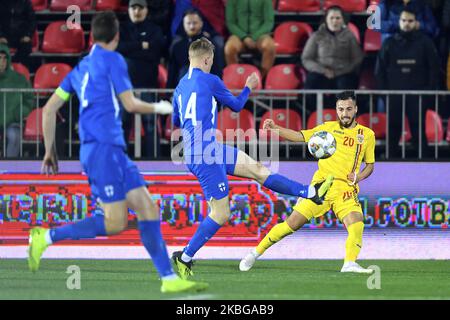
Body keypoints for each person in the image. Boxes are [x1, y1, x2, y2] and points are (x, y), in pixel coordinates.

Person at [27, 11, 208, 294]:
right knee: (115, 222)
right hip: (102, 150)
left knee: (148, 207)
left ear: (92, 36)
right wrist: (162, 108)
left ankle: (169, 280)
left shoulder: (80, 67)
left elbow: (49, 109)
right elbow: (131, 104)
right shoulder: (114, 60)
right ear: (117, 36)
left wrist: (50, 151)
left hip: (109, 150)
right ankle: (45, 236)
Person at [170, 37, 334, 279]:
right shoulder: (211, 80)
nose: (210, 65)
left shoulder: (179, 87)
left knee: (257, 168)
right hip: (205, 154)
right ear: (206, 59)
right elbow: (236, 106)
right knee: (221, 213)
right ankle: (184, 257)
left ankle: (311, 193)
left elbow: (176, 122)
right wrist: (248, 86)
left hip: (207, 148)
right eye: (211, 61)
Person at [240, 91, 376, 274]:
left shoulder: (367, 135)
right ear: (336, 110)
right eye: (341, 109)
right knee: (292, 224)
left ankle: (349, 263)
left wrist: (358, 177)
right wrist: (275, 128)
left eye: (349, 109)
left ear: (356, 110)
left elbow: (370, 166)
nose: (345, 113)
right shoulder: (327, 129)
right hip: (321, 187)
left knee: (356, 222)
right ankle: (254, 253)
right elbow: (300, 136)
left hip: (346, 189)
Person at [375, 9, 440, 158]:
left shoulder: (426, 42)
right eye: (404, 20)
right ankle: (390, 160)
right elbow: (379, 71)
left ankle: (423, 164)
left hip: (418, 95)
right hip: (393, 94)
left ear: (416, 23)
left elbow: (434, 69)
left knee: (418, 130)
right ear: (399, 22)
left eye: (410, 21)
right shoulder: (389, 43)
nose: (406, 24)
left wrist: (428, 92)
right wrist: (385, 94)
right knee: (393, 130)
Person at [117, 0, 166, 158]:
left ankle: (155, 161)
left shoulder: (154, 29)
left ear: (146, 10)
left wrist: (131, 50)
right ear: (129, 9)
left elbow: (155, 53)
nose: (136, 11)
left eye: (140, 7)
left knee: (151, 125)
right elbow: (118, 49)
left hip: (148, 86)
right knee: (123, 125)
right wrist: (141, 46)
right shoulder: (121, 28)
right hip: (125, 88)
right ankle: (120, 160)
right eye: (133, 7)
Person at [302, 6, 364, 91]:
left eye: (338, 18)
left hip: (343, 73)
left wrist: (342, 71)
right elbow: (306, 58)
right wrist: (323, 70)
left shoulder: (349, 36)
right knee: (311, 84)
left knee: (346, 85)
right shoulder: (316, 36)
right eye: (331, 18)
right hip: (321, 72)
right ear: (326, 20)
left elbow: (357, 58)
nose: (334, 21)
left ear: (343, 20)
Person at [167, 9, 224, 88]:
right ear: (183, 24)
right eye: (188, 23)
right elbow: (173, 71)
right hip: (183, 91)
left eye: (195, 23)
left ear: (201, 23)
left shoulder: (210, 45)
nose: (192, 26)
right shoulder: (177, 46)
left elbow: (217, 69)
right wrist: (168, 94)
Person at [224, 0, 276, 78]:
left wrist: (255, 37)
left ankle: (261, 78)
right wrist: (244, 37)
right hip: (239, 35)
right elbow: (231, 22)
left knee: (270, 47)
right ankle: (235, 77)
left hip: (260, 35)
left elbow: (269, 22)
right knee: (229, 48)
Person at [0, 43, 34, 158]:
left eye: (5, 58)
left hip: (13, 122)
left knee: (14, 136)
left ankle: (9, 169)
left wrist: (17, 113)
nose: (2, 62)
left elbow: (29, 100)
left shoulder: (19, 79)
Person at [0, 0, 36, 67]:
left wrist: (27, 35)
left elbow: (32, 22)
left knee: (26, 47)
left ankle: (14, 65)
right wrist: (1, 36)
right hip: (5, 36)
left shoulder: (26, 3)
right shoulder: (1, 3)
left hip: (21, 36)